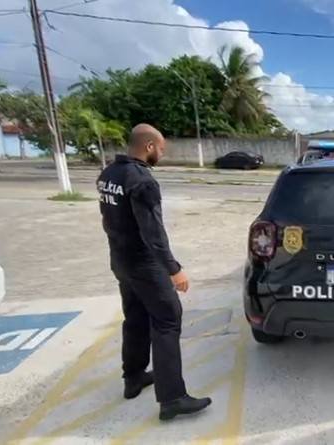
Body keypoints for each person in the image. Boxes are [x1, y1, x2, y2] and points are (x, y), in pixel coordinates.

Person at [97, 123, 211, 421]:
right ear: (148, 146)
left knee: (135, 317)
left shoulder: (109, 174)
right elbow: (153, 232)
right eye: (160, 149)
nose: (162, 153)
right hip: (144, 264)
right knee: (168, 319)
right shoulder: (142, 181)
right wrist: (174, 269)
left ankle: (133, 377)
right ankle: (173, 398)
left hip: (120, 260)